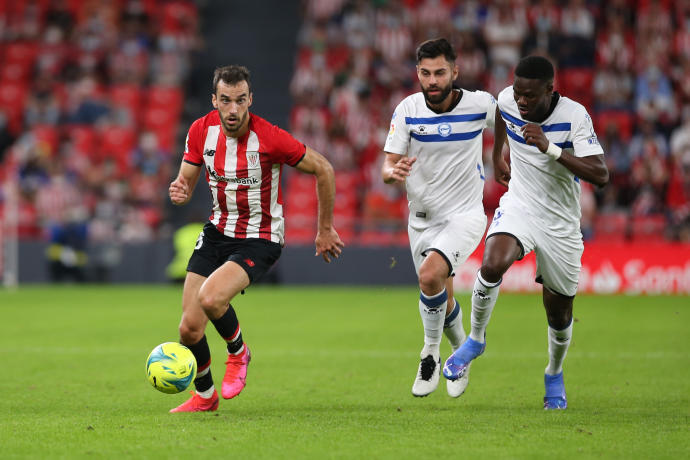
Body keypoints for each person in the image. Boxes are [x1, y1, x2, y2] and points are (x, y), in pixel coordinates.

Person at [167, 65, 344, 413]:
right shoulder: (200, 131)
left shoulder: (270, 138)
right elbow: (185, 180)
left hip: (259, 237)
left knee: (212, 298)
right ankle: (204, 397)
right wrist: (180, 189)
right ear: (214, 100)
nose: (233, 109)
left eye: (240, 101)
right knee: (188, 329)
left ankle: (238, 353)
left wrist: (324, 229)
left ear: (251, 100)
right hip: (217, 232)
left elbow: (324, 168)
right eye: (226, 101)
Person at [442, 55, 609, 410]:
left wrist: (550, 148)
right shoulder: (508, 99)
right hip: (520, 203)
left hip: (561, 222)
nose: (521, 101)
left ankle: (554, 371)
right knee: (492, 264)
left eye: (529, 96)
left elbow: (600, 174)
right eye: (518, 92)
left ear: (550, 90)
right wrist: (498, 154)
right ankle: (475, 339)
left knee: (559, 313)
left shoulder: (575, 117)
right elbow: (503, 112)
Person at [381, 38, 497, 398]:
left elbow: (511, 123)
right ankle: (461, 351)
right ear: (418, 73)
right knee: (440, 295)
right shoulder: (407, 109)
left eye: (440, 73)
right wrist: (392, 173)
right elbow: (387, 167)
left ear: (455, 72)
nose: (432, 81)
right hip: (421, 219)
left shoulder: (480, 105)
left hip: (464, 215)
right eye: (426, 73)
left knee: (429, 276)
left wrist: (505, 156)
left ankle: (430, 352)